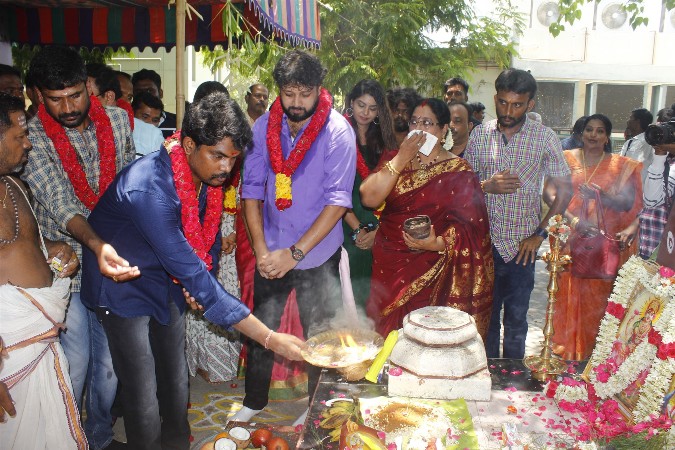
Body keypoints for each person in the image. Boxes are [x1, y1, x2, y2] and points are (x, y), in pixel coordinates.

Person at [80, 92, 305, 449]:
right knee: (142, 390)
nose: (226, 168)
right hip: (123, 285)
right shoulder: (150, 189)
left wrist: (201, 279)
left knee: (175, 379)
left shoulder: (208, 179)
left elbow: (206, 240)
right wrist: (269, 337)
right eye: (218, 156)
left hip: (166, 279)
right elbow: (195, 276)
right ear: (188, 145)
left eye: (233, 158)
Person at [21, 46, 136, 450]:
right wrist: (97, 244)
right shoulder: (32, 134)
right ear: (39, 95)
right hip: (64, 266)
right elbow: (60, 203)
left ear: (88, 85)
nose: (68, 107)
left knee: (109, 363)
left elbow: (127, 184)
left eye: (74, 95)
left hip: (111, 264)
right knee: (77, 361)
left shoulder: (117, 121)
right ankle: (67, 438)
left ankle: (98, 436)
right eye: (56, 99)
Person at [234, 50, 356, 423]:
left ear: (319, 89)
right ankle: (254, 401)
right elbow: (251, 191)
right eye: (289, 94)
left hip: (316, 254)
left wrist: (296, 254)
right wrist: (262, 251)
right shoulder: (262, 127)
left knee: (320, 335)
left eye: (305, 94)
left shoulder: (337, 131)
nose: (297, 103)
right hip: (272, 248)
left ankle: (316, 406)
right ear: (280, 90)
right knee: (262, 326)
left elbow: (337, 203)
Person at [360, 98, 493, 336]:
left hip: (433, 269)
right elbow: (368, 199)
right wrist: (401, 158)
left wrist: (437, 244)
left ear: (443, 130)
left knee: (423, 337)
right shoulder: (395, 158)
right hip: (389, 264)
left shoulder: (459, 171)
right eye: (414, 122)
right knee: (385, 335)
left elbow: (472, 229)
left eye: (427, 123)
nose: (418, 129)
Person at [465, 68, 572, 359]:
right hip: (484, 245)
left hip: (522, 249)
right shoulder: (480, 135)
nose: (508, 111)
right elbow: (462, 187)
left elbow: (565, 191)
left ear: (530, 104)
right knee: (484, 321)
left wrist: (539, 235)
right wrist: (486, 186)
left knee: (516, 322)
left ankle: (513, 376)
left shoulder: (544, 137)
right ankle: (487, 373)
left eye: (517, 105)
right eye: (503, 103)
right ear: (495, 98)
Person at [0, 93, 83, 449]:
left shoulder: (14, 183)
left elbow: (26, 240)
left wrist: (54, 247)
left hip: (42, 339)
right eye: (19, 136)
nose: (28, 144)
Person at [546, 114, 643, 361]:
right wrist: (574, 221)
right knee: (565, 291)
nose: (594, 135)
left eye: (600, 131)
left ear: (607, 137)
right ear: (582, 133)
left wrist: (602, 196)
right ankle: (564, 347)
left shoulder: (620, 165)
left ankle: (593, 353)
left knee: (598, 296)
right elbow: (549, 194)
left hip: (601, 244)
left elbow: (628, 204)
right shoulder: (565, 159)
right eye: (589, 129)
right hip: (568, 237)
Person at [342, 79, 398, 308]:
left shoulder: (384, 140)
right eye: (361, 105)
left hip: (379, 228)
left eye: (373, 108)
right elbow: (333, 190)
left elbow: (392, 188)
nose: (365, 113)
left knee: (377, 293)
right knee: (350, 293)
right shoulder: (338, 135)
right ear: (351, 103)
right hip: (344, 223)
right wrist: (359, 229)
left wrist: (378, 231)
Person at [132, 68, 176, 138]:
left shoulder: (177, 123)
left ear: (160, 93)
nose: (145, 95)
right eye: (139, 92)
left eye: (149, 91)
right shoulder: (125, 123)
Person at [620, 107, 654, 182]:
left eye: (630, 118)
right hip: (625, 185)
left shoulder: (648, 142)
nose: (628, 121)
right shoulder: (630, 142)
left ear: (637, 122)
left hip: (640, 186)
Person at [130, 92, 164, 158]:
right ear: (132, 113)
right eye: (145, 117)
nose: (149, 123)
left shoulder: (156, 135)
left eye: (155, 120)